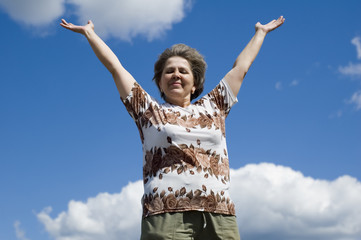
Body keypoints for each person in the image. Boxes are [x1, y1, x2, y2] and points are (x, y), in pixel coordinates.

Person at [60, 15, 285, 240]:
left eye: (183, 71)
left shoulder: (214, 106)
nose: (176, 74)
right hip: (164, 213)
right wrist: (90, 33)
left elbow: (241, 68)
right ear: (159, 82)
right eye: (169, 71)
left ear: (195, 83)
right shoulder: (148, 111)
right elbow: (115, 67)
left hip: (219, 213)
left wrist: (260, 33)